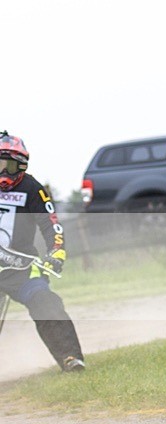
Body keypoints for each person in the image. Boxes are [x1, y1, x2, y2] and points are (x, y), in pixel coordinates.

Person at [0, 131, 85, 372]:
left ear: (23, 166)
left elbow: (51, 224)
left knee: (46, 302)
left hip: (22, 268)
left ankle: (70, 358)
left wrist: (56, 251)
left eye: (12, 166)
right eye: (0, 165)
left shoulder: (32, 188)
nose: (5, 173)